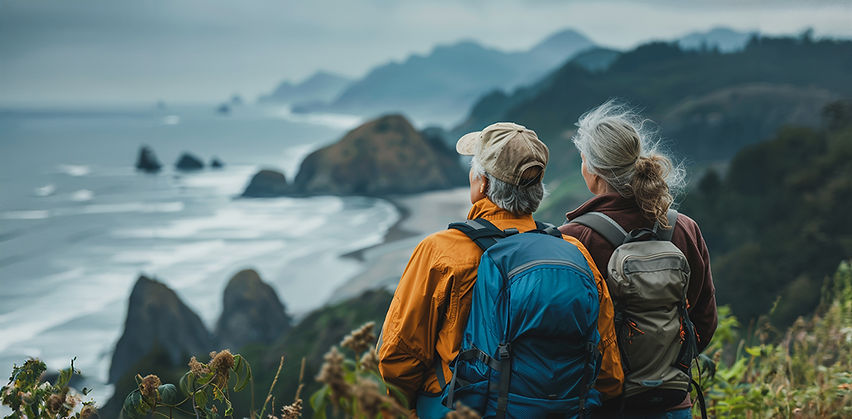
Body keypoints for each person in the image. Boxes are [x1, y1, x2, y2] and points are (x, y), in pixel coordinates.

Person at [377, 122, 624, 417]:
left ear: (482, 184)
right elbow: (607, 366)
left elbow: (399, 354)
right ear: (537, 189)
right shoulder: (573, 252)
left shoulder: (441, 251)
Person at [558, 101, 718, 418]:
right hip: (673, 403)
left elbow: (564, 330)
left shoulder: (573, 239)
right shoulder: (684, 228)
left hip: (603, 406)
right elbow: (704, 320)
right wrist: (667, 365)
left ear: (592, 169)